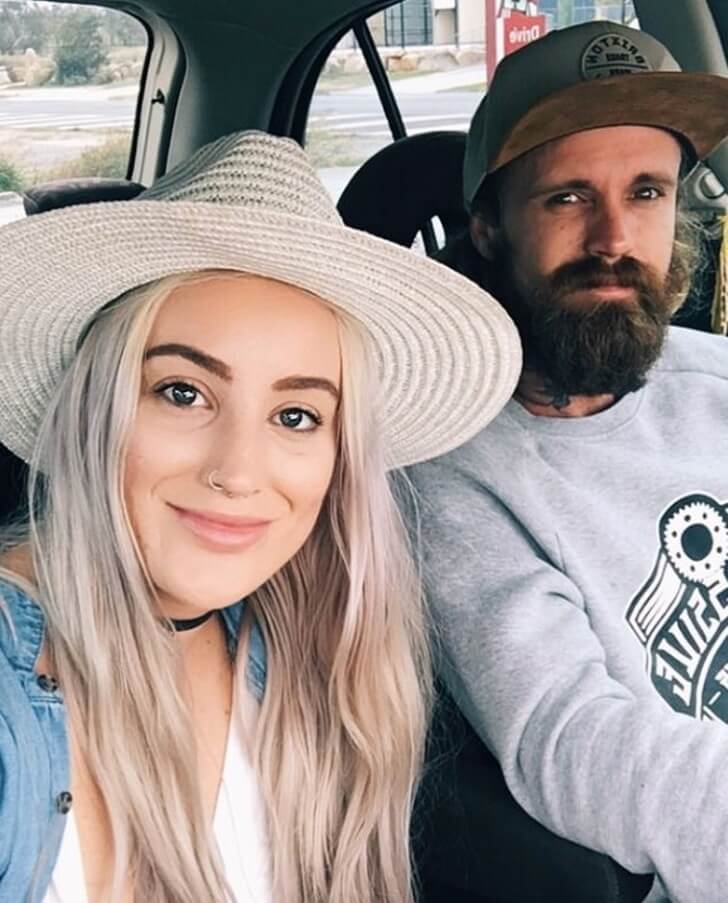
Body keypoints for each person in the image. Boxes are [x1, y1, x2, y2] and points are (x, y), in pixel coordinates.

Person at [0, 130, 521, 903]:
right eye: (183, 392)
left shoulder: (306, 659)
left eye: (297, 415)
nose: (238, 471)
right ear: (93, 404)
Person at [408, 20, 728, 903]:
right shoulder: (447, 465)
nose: (614, 237)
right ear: (487, 226)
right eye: (568, 197)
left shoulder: (716, 380)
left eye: (648, 192)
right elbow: (567, 734)